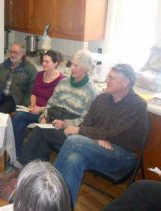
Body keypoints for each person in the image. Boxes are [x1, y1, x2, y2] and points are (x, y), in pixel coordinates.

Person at [54, 64, 149, 207]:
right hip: (97, 147)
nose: (106, 80)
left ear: (126, 83)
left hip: (123, 156)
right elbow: (87, 124)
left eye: (112, 78)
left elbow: (113, 132)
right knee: (74, 160)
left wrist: (89, 133)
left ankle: (46, 189)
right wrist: (97, 138)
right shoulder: (102, 99)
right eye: (107, 77)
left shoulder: (137, 105)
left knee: (74, 140)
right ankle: (63, 206)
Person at [2, 50, 98, 179]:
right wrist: (44, 117)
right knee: (40, 135)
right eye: (72, 64)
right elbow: (50, 104)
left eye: (76, 66)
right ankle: (37, 174)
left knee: (39, 132)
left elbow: (85, 119)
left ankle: (19, 164)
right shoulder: (63, 83)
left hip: (69, 131)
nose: (72, 68)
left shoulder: (91, 91)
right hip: (53, 122)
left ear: (86, 69)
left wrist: (65, 124)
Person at [12, 50, 65, 156]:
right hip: (35, 109)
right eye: (43, 61)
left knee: (32, 126)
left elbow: (57, 105)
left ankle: (32, 156)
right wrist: (32, 104)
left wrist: (40, 109)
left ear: (55, 63)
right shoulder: (40, 75)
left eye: (47, 62)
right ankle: (18, 153)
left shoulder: (61, 80)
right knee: (18, 117)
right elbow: (33, 93)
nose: (43, 64)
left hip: (48, 114)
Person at [0, 42, 37, 113]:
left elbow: (31, 91)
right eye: (11, 52)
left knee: (0, 112)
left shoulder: (30, 70)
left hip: (15, 101)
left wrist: (22, 108)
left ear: (23, 53)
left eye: (15, 52)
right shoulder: (2, 66)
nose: (12, 55)